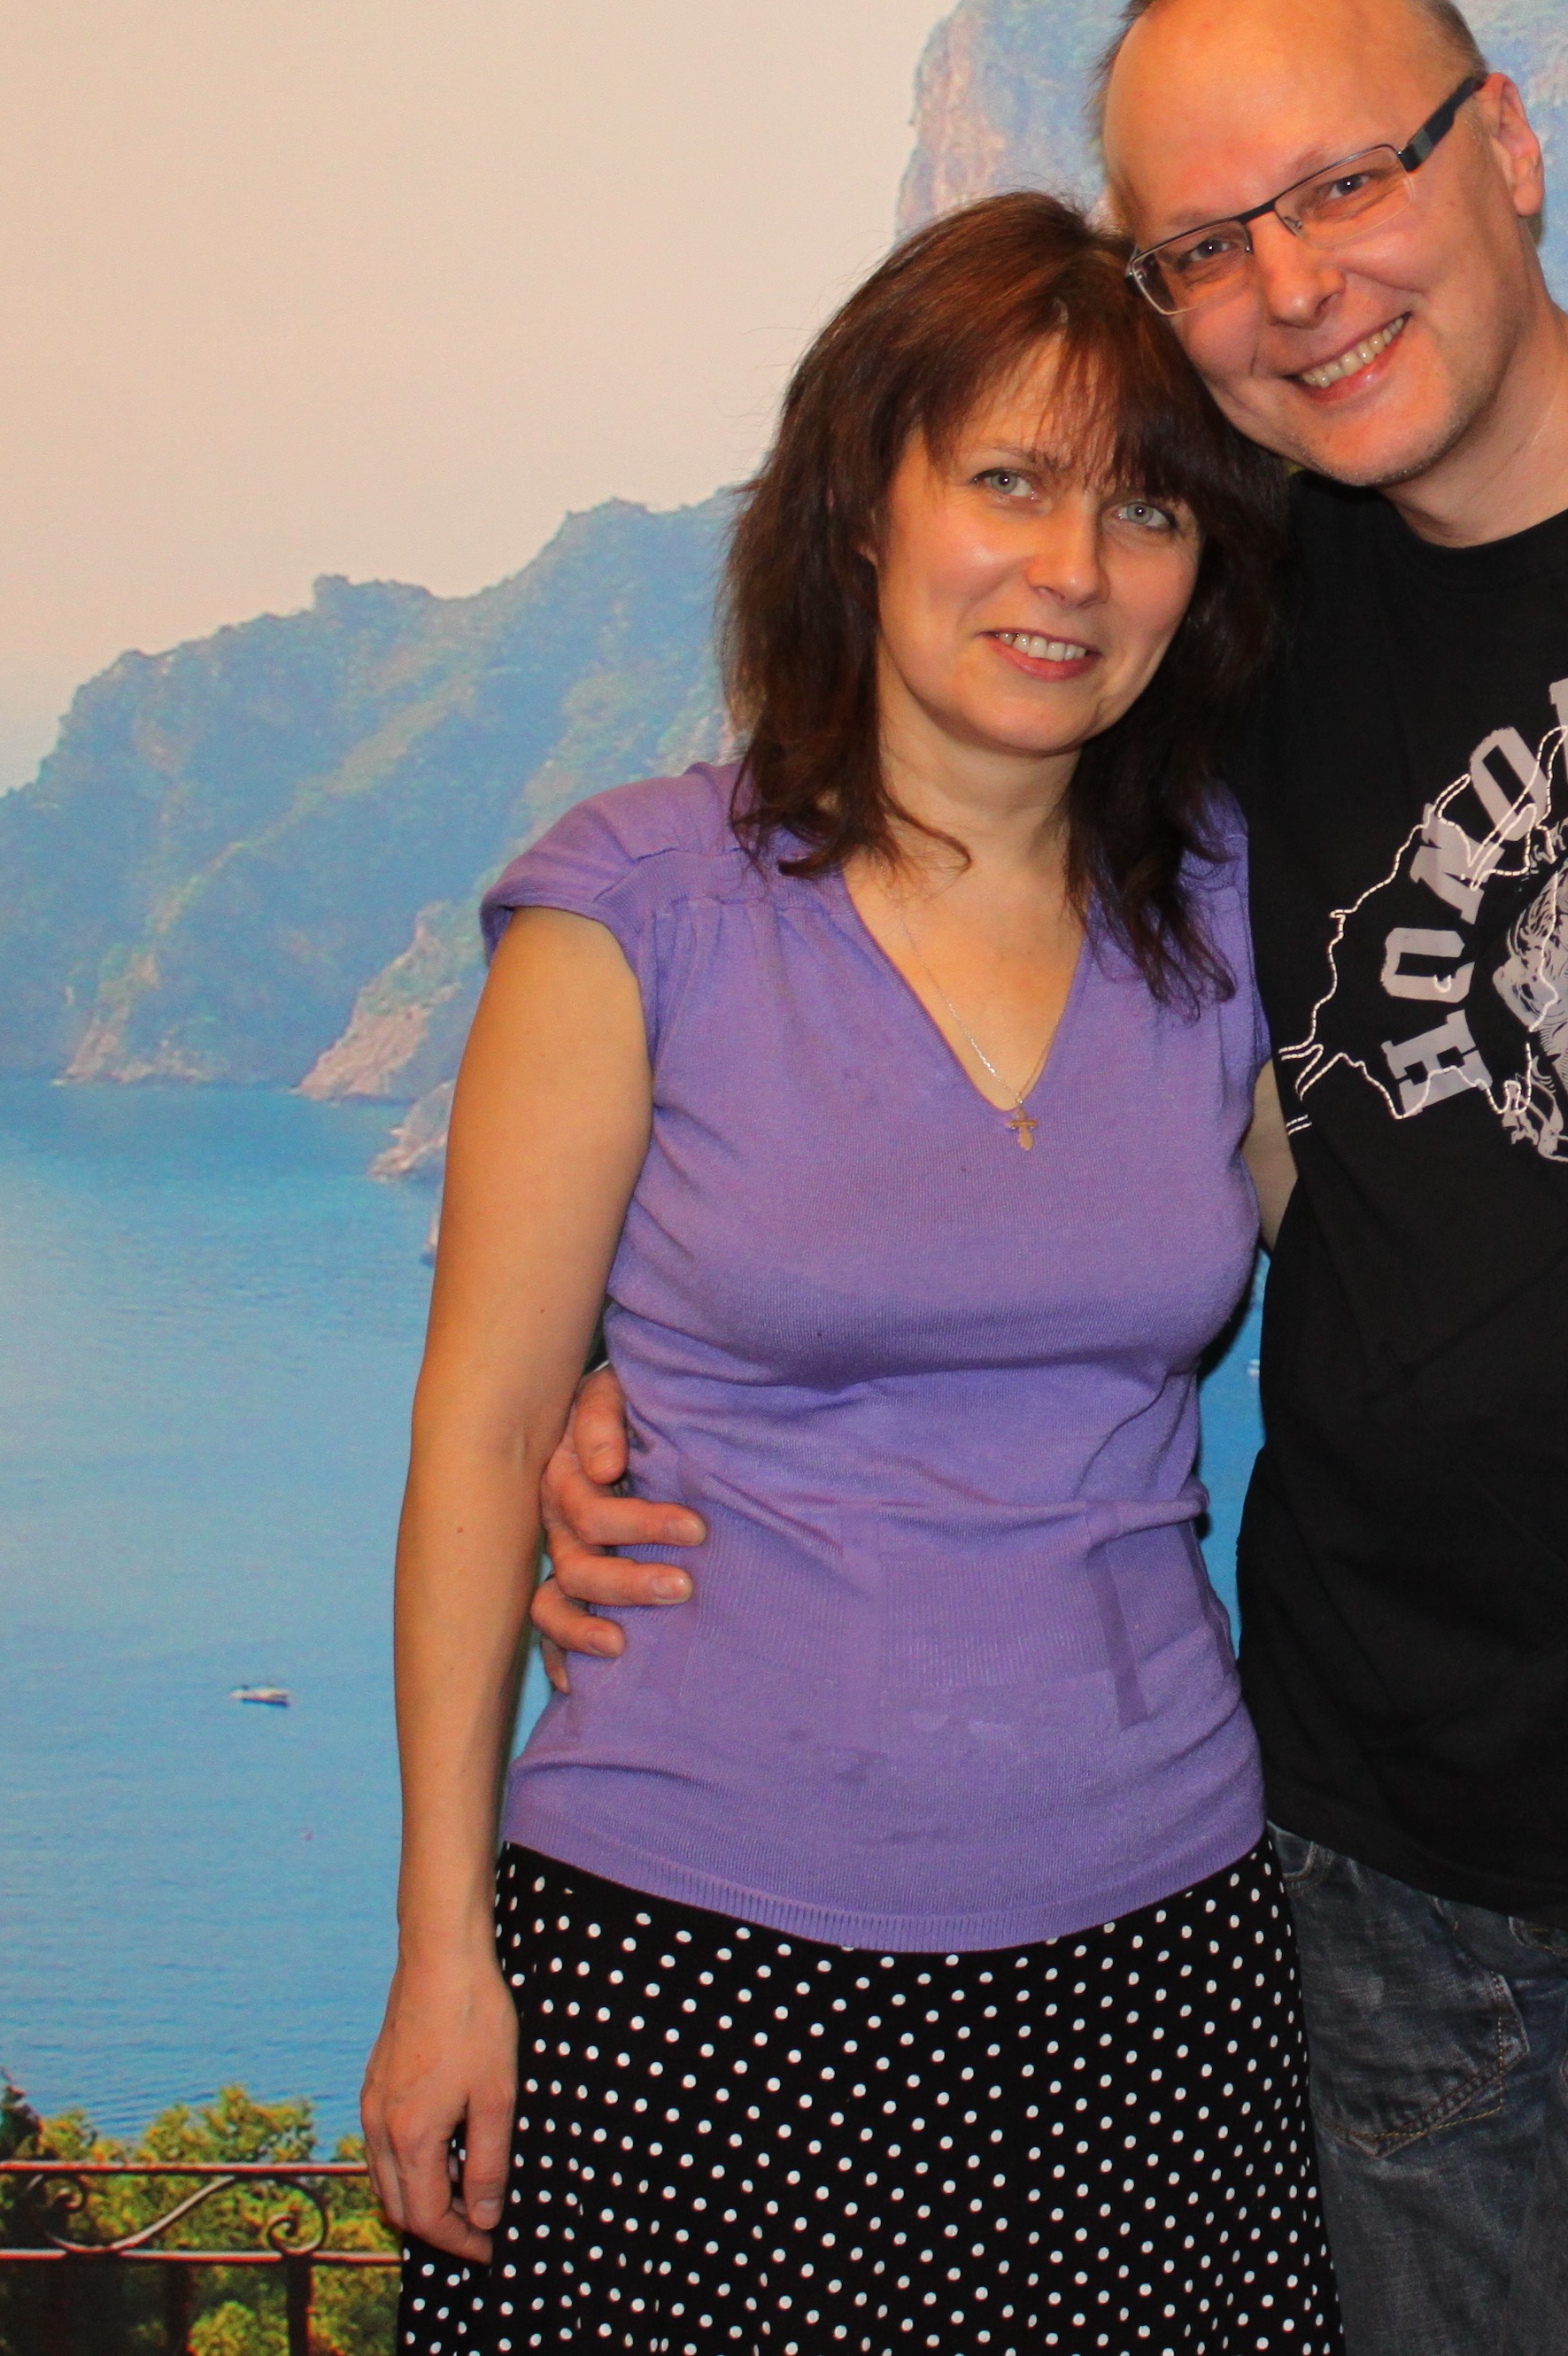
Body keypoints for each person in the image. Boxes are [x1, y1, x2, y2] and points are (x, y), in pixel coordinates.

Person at [537, 0, 1568, 2353]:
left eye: (1346, 185)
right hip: (1335, 1877)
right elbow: (920, 955)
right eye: (1206, 246)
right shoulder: (1234, 618)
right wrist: (651, 1360)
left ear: (1504, 145)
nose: (1294, 288)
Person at [365, 190, 1340, 2353]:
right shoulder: (638, 915)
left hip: (1152, 1963)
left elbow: (1428, 1287)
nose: (1073, 568)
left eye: (1147, 508)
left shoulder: (1236, 910)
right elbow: (486, 1435)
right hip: (691, 1967)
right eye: (1007, 480)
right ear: (861, 507)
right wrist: (444, 1950)